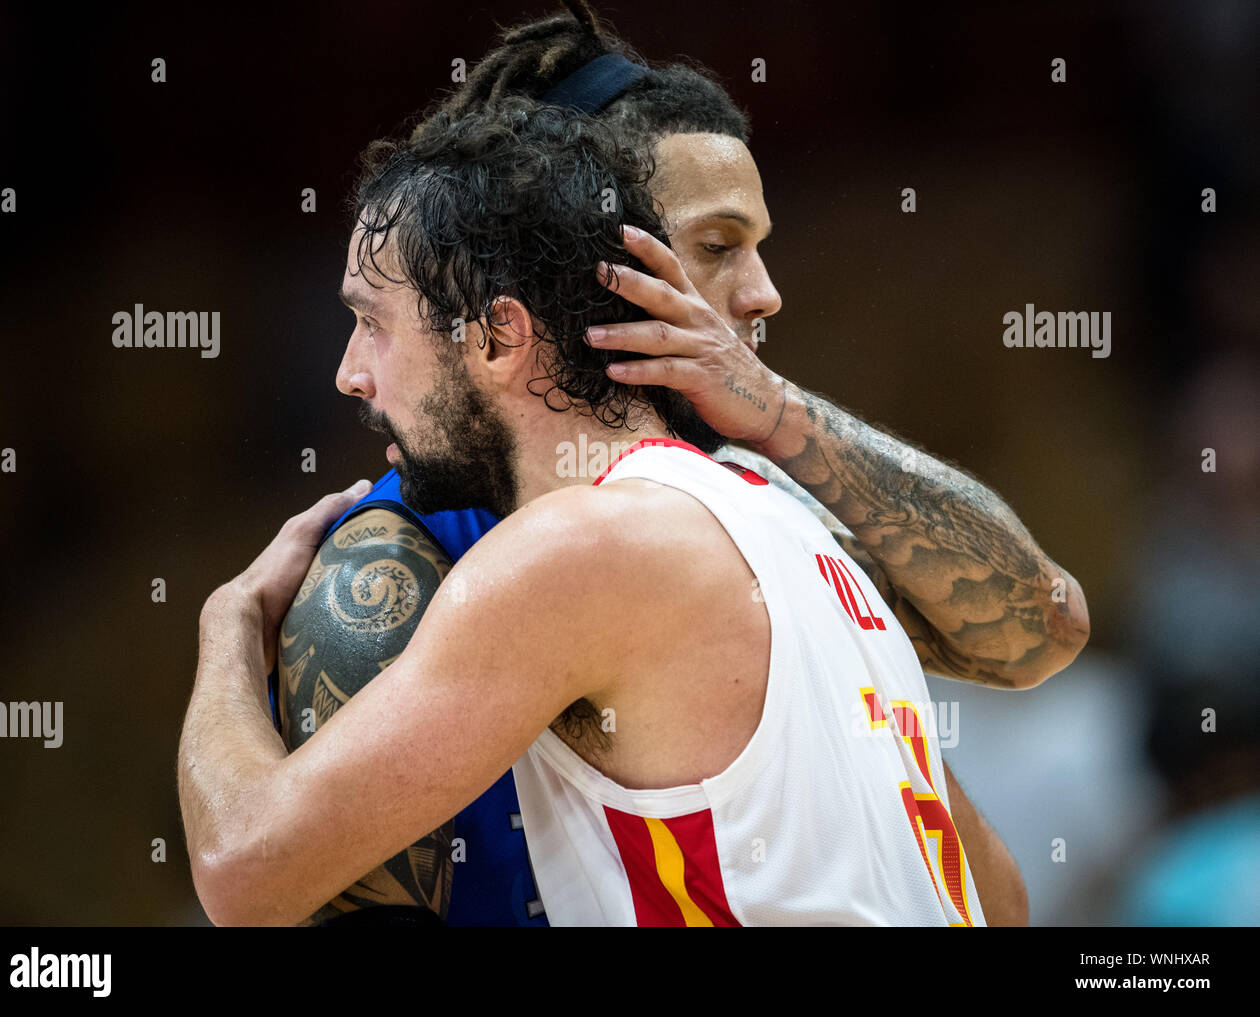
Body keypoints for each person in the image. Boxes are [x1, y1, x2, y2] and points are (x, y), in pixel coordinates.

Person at [273, 3, 1080, 925]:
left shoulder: (750, 506)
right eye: (715, 245)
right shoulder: (388, 565)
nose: (765, 293)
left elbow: (1040, 632)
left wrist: (778, 414)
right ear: (574, 252)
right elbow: (263, 876)